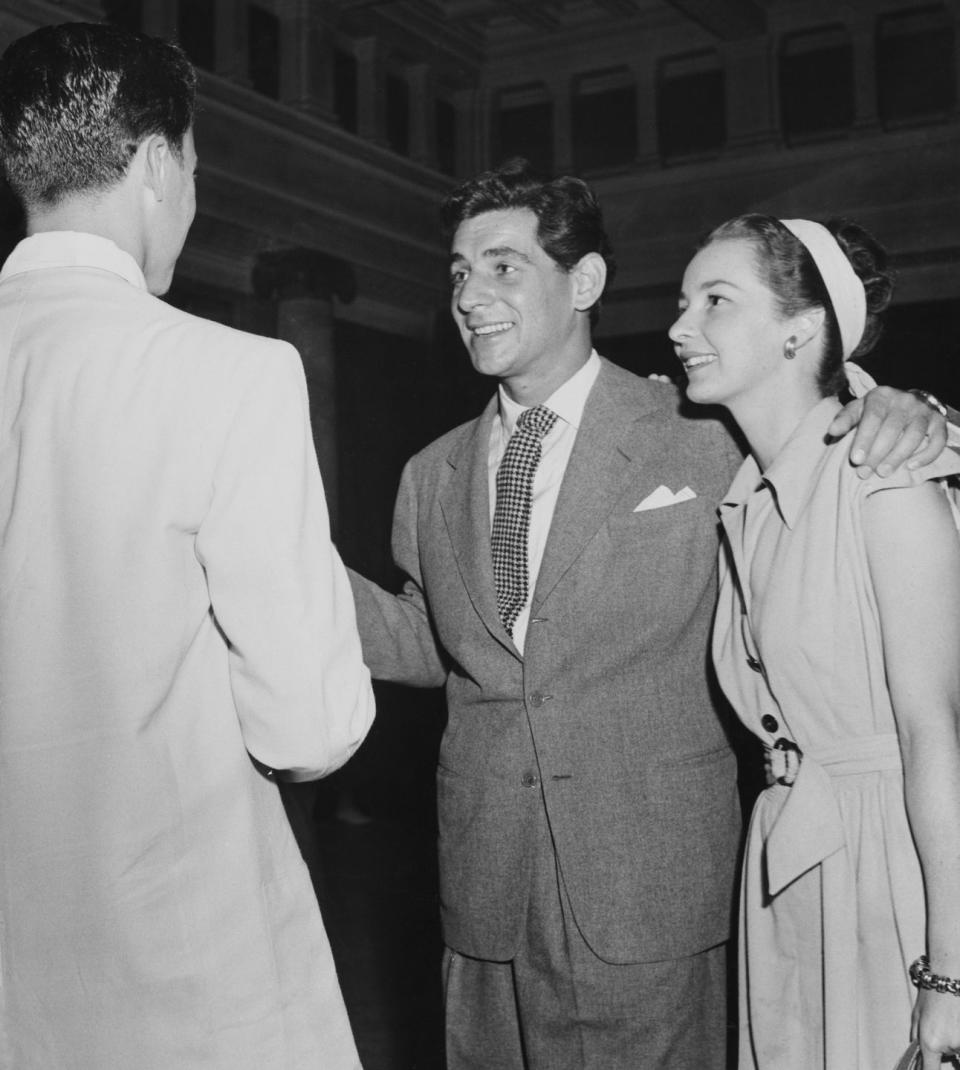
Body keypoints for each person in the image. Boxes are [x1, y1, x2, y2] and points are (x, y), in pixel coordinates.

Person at [347, 158, 949, 1069]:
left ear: (583, 281)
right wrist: (273, 569)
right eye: (460, 272)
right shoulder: (429, 473)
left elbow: (815, 409)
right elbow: (433, 643)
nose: (472, 295)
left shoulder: (699, 428)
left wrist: (906, 404)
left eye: (504, 267)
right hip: (483, 889)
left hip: (651, 893)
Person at [0, 22, 374, 1070]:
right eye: (197, 168)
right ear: (161, 163)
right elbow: (311, 724)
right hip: (182, 965)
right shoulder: (230, 374)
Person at [669, 214, 960, 1070]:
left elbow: (934, 735)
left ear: (801, 329)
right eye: (685, 301)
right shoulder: (746, 499)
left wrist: (949, 976)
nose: (682, 326)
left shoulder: (886, 477)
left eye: (716, 301)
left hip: (896, 866)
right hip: (788, 863)